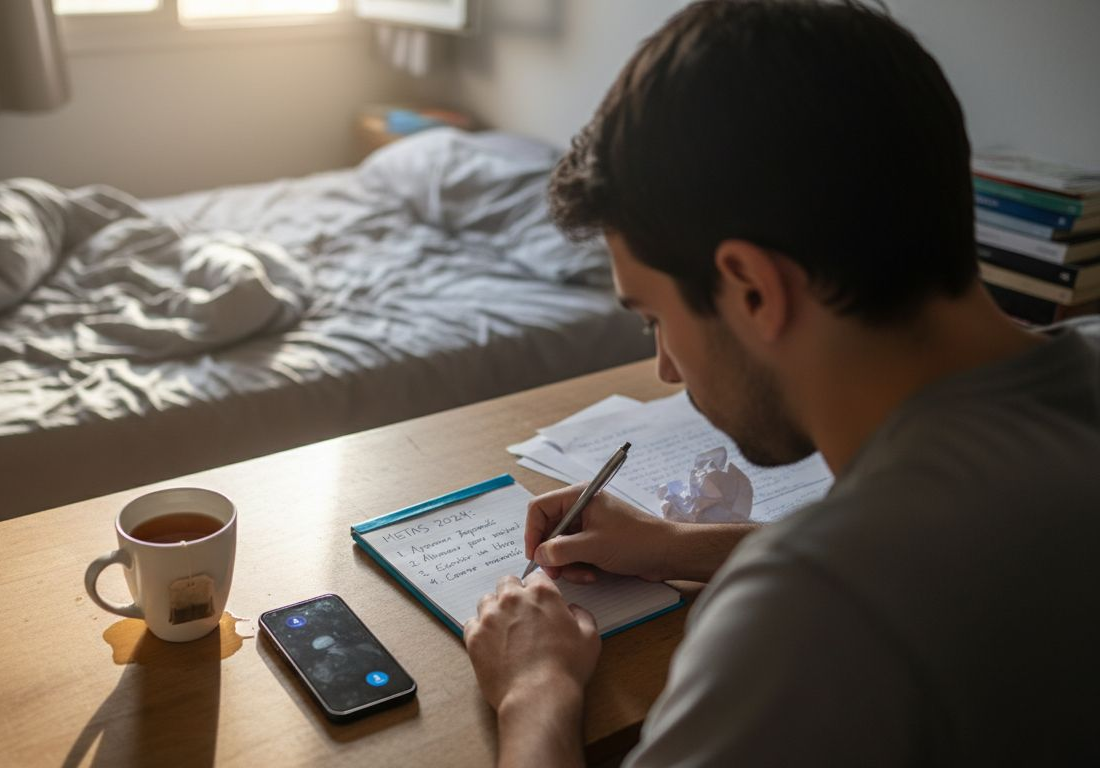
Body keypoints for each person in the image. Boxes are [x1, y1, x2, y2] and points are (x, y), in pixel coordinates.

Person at [461, 1, 1100, 765]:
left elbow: (860, 580)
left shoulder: (804, 617)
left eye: (654, 318)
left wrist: (535, 690)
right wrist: (675, 546)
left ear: (755, 290)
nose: (665, 367)